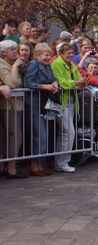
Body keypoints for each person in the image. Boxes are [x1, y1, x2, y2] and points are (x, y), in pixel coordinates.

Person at [51, 42, 89, 173]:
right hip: (61, 102)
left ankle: (60, 162)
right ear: (61, 53)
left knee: (66, 133)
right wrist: (76, 83)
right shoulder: (56, 64)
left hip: (72, 101)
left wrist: (83, 82)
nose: (71, 55)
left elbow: (78, 79)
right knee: (69, 132)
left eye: (72, 53)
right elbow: (61, 82)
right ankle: (62, 162)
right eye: (68, 53)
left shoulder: (72, 65)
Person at [23, 42, 59, 176]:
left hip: (44, 105)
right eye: (46, 55)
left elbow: (53, 78)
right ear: (37, 55)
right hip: (33, 104)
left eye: (49, 55)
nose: (48, 57)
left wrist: (55, 83)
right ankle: (34, 165)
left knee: (44, 136)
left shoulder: (47, 66)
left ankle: (39, 165)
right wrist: (46, 87)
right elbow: (29, 82)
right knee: (40, 135)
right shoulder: (33, 65)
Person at [0, 40, 26, 178]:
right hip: (9, 106)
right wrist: (15, 66)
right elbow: (13, 83)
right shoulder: (2, 64)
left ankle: (6, 167)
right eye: (12, 49)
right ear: (4, 52)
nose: (15, 51)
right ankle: (11, 169)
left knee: (9, 137)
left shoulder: (8, 63)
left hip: (13, 104)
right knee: (14, 137)